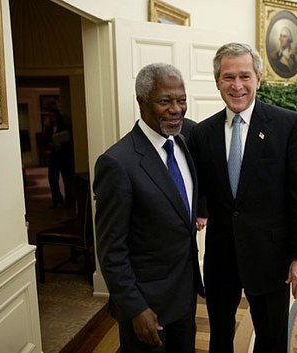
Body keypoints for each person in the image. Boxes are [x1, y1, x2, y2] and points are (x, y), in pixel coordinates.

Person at [188, 42, 297, 353]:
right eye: (228, 77)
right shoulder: (202, 133)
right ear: (217, 80)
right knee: (219, 336)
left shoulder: (289, 125)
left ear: (259, 78)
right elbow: (201, 184)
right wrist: (200, 210)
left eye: (245, 76)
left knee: (271, 339)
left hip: (270, 258)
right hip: (220, 257)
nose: (237, 86)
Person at [94, 63, 204, 353]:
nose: (176, 109)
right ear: (141, 101)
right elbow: (110, 249)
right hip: (147, 307)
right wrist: (135, 308)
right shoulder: (117, 163)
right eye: (165, 101)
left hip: (184, 297)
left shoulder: (184, 141)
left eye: (181, 100)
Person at [43, 109, 74, 208]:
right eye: (51, 116)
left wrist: (62, 145)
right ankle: (57, 201)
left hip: (65, 156)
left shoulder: (65, 127)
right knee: (52, 179)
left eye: (54, 116)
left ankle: (69, 202)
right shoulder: (48, 129)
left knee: (67, 180)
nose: (52, 118)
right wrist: (51, 144)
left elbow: (70, 141)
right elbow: (46, 141)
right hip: (54, 157)